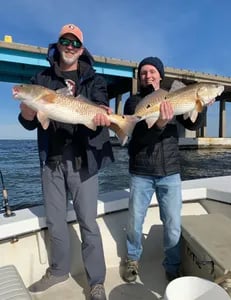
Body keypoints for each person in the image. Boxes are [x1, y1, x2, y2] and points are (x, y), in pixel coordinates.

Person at [18, 24, 114, 300]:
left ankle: (96, 282)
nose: (69, 46)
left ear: (81, 49)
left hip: (84, 160)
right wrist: (27, 110)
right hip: (52, 161)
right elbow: (30, 123)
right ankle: (58, 270)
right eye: (64, 41)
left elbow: (99, 111)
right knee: (56, 221)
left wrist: (101, 119)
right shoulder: (42, 78)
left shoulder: (94, 79)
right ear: (58, 45)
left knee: (88, 222)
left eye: (74, 43)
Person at [122, 56, 210, 283]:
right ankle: (132, 259)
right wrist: (160, 123)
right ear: (139, 77)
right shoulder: (134, 103)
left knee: (172, 225)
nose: (148, 75)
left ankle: (172, 266)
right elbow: (138, 136)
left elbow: (192, 124)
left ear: (160, 75)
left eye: (152, 71)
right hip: (141, 171)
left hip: (170, 172)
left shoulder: (175, 97)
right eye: (143, 72)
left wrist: (202, 105)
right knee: (134, 222)